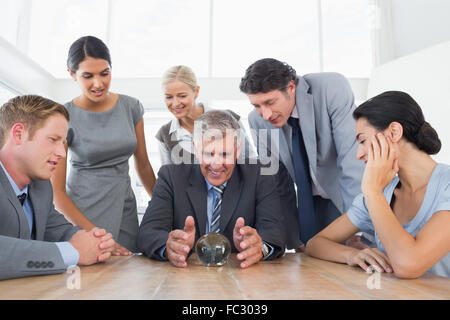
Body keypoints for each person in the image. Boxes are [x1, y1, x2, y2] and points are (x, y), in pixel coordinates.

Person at [306, 91, 450, 279]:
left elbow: (408, 265)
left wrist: (372, 190)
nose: (358, 154)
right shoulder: (383, 193)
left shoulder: (377, 192)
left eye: (363, 141)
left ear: (394, 132)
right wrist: (351, 254)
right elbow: (316, 244)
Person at [240, 58, 367, 250]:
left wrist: (359, 230)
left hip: (345, 196)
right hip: (310, 205)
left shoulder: (331, 89)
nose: (265, 114)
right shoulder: (257, 122)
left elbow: (352, 162)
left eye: (270, 102)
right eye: (257, 106)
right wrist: (293, 240)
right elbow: (276, 183)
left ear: (291, 87)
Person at [138, 110, 286, 268]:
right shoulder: (172, 177)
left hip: (241, 276)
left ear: (237, 150)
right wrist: (170, 247)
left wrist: (259, 247)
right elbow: (147, 233)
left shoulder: (259, 175)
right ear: (196, 149)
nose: (216, 164)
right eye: (209, 153)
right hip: (187, 278)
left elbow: (275, 233)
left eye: (224, 154)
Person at [51, 36, 156, 255]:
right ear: (72, 74)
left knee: (127, 276)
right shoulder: (63, 115)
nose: (98, 83)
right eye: (87, 76)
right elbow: (57, 192)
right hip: (83, 212)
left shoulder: (131, 107)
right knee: (88, 282)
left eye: (104, 73)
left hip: (124, 206)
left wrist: (163, 207)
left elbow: (144, 165)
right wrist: (94, 233)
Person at [0, 95, 115, 280]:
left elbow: (58, 230)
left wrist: (94, 242)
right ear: (19, 134)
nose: (62, 153)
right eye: (53, 139)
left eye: (63, 142)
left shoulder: (41, 187)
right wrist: (72, 252)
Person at [156, 65, 257, 165]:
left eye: (182, 96)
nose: (175, 103)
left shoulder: (229, 118)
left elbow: (250, 162)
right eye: (169, 97)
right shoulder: (165, 134)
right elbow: (168, 177)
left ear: (196, 92)